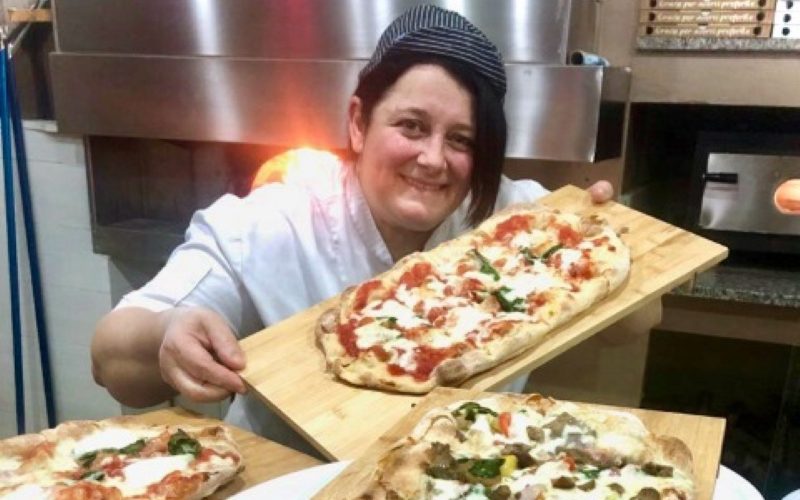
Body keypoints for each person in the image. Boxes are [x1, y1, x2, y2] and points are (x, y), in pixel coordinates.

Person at [91, 5, 654, 453]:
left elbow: (636, 323)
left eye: (461, 139)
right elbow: (111, 362)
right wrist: (166, 334)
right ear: (359, 122)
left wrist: (610, 238)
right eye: (412, 126)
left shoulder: (525, 225)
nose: (433, 159)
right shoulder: (271, 222)